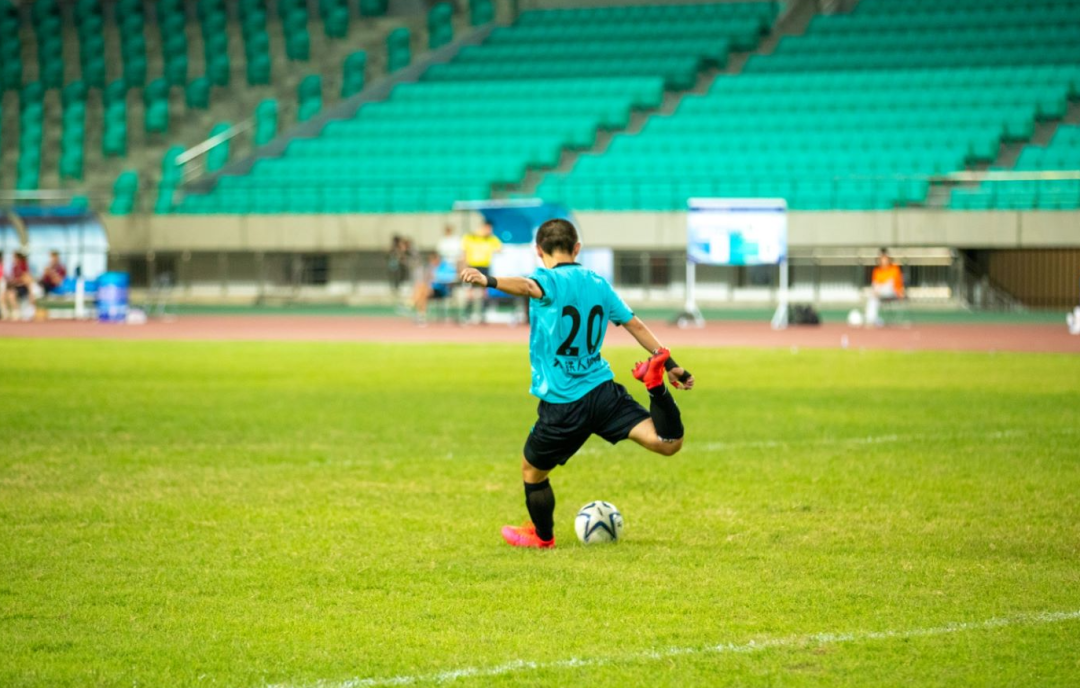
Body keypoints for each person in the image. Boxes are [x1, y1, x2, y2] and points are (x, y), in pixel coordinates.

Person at [460, 218, 695, 549]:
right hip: (603, 392)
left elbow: (527, 287)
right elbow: (636, 325)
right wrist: (670, 364)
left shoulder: (547, 279)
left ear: (538, 250)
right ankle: (656, 387)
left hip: (563, 403)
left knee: (532, 471)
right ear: (577, 248)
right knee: (667, 442)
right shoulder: (599, 283)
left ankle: (543, 537)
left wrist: (489, 280)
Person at [461, 219, 502, 323]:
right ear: (483, 227)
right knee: (470, 291)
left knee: (484, 291)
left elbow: (500, 249)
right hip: (472, 266)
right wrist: (463, 267)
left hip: (485, 267)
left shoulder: (491, 239)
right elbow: (464, 253)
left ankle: (483, 314)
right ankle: (467, 314)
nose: (489, 231)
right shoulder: (470, 237)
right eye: (488, 228)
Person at [865, 248, 905, 327]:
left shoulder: (895, 269)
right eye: (881, 258)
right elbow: (875, 284)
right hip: (879, 294)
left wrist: (901, 292)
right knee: (873, 296)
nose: (883, 260)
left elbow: (896, 285)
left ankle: (872, 319)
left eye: (885, 258)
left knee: (886, 285)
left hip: (893, 293)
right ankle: (871, 319)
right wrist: (876, 290)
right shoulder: (877, 271)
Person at [412, 251, 453, 325]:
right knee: (421, 289)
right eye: (431, 260)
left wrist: (437, 279)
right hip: (430, 289)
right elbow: (427, 279)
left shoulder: (447, 267)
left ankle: (419, 313)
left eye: (434, 259)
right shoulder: (430, 267)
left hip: (442, 290)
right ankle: (421, 315)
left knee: (422, 290)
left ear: (438, 258)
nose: (432, 261)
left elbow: (451, 278)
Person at [2, 251, 34, 320]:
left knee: (12, 294)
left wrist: (18, 280)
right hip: (16, 287)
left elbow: (26, 278)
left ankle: (18, 311)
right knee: (7, 294)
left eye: (14, 257)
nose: (13, 259)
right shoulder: (14, 267)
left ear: (18, 258)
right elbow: (15, 278)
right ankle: (10, 312)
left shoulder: (23, 265)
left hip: (23, 287)